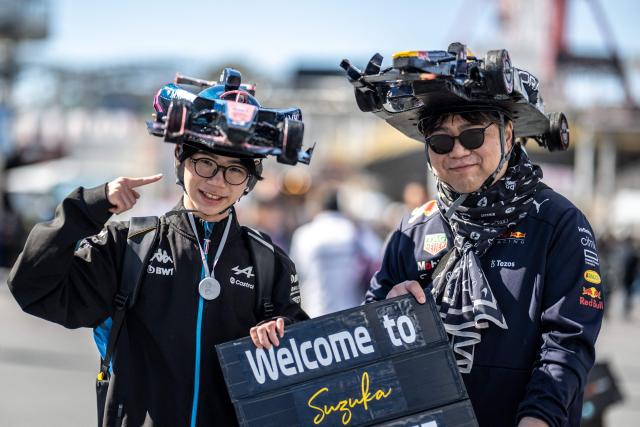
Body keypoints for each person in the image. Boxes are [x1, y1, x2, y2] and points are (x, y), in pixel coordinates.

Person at [7, 70, 308, 426]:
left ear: (250, 180)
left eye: (234, 171)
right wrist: (89, 206)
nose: (217, 182)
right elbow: (32, 288)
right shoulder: (130, 245)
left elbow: (302, 354)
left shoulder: (268, 262)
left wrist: (283, 330)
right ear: (181, 158)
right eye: (205, 163)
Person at [360, 46, 603, 426]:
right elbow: (368, 329)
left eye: (473, 137)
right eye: (440, 142)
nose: (457, 152)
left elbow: (567, 342)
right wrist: (385, 309)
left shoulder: (559, 221)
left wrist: (538, 418)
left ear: (507, 134)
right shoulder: (413, 228)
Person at [290, 187, 382, 317]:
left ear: (318, 207)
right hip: (353, 312)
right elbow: (378, 260)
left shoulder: (303, 235)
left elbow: (296, 274)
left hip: (315, 313)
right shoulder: (356, 231)